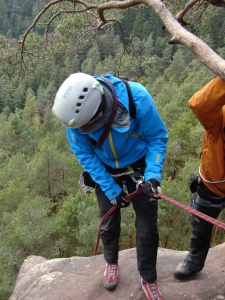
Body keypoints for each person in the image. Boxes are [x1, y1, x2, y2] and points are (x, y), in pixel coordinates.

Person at [52, 72, 168, 300]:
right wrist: (110, 188)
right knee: (109, 221)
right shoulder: (75, 118)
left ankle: (148, 277)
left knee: (147, 226)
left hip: (139, 166)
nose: (84, 130)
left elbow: (156, 137)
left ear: (100, 111)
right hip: (104, 169)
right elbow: (84, 153)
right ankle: (111, 262)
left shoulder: (137, 98)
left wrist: (153, 176)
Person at [174, 76, 225, 279]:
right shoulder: (218, 121)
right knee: (201, 227)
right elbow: (200, 105)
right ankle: (194, 263)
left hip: (213, 182)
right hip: (212, 185)